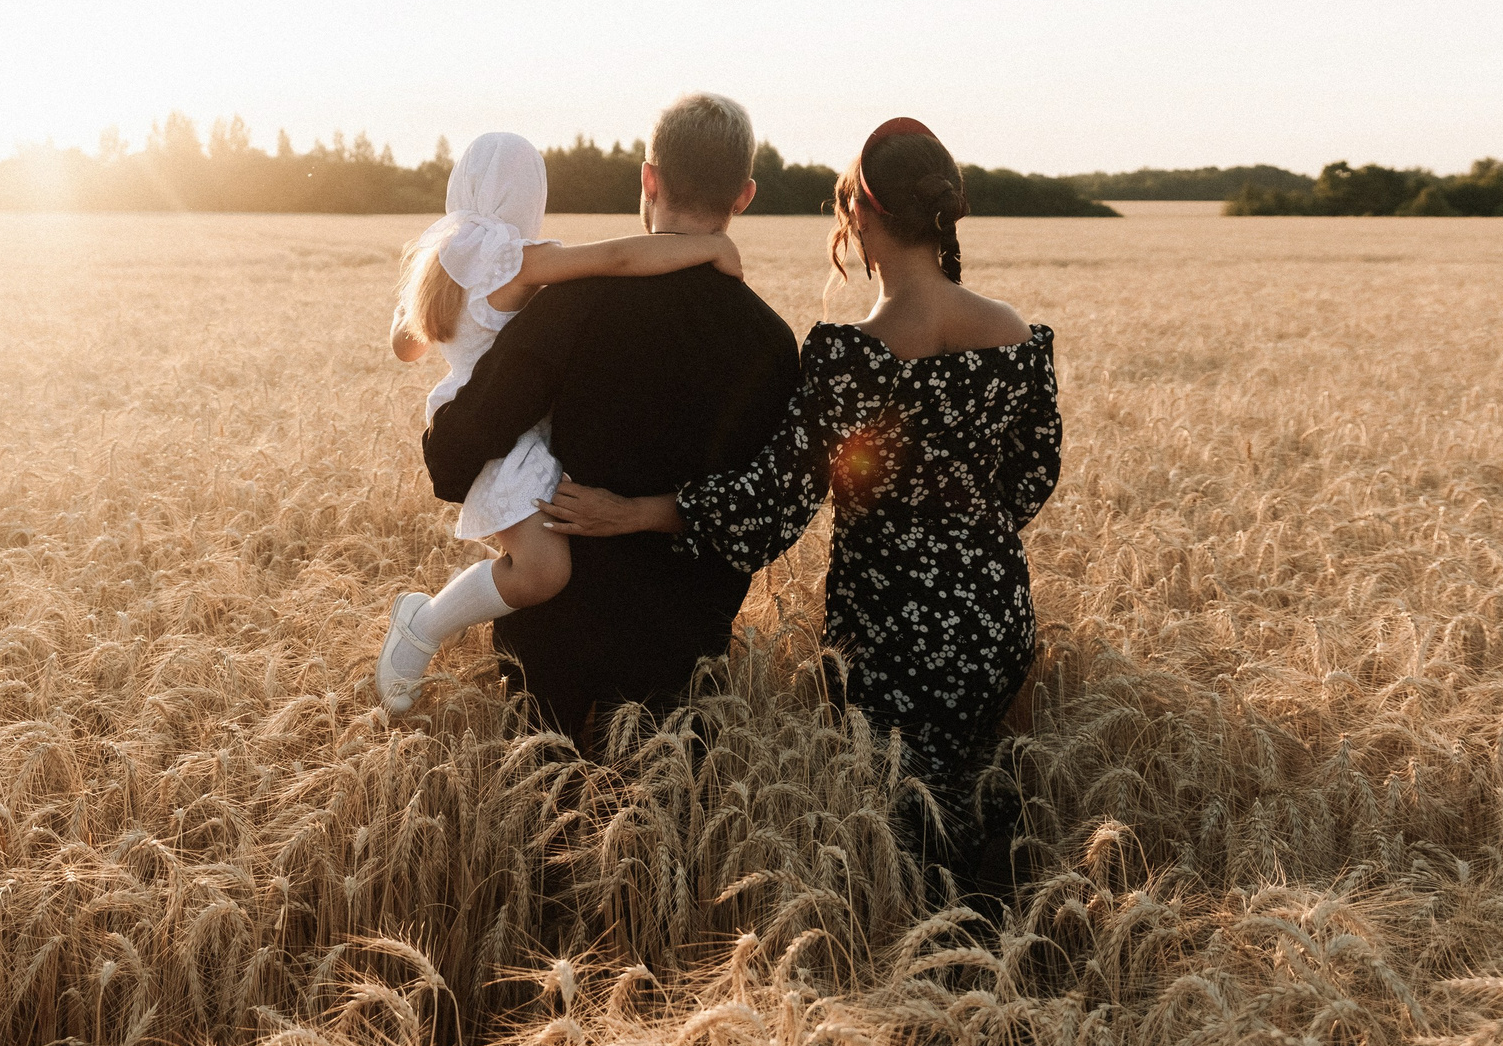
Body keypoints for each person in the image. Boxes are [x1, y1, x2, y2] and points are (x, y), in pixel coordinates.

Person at [541, 117, 1060, 852]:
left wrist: (633, 511)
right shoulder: (1013, 337)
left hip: (888, 635)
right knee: (976, 802)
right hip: (995, 616)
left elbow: (772, 503)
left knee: (901, 839)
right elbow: (1034, 473)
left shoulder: (850, 358)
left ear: (857, 216)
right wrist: (965, 541)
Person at [418, 94, 801, 743]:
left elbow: (457, 453)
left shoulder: (573, 300)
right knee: (672, 837)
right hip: (681, 659)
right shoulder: (772, 342)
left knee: (539, 827)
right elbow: (773, 511)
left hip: (553, 648)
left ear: (648, 178)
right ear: (744, 195)